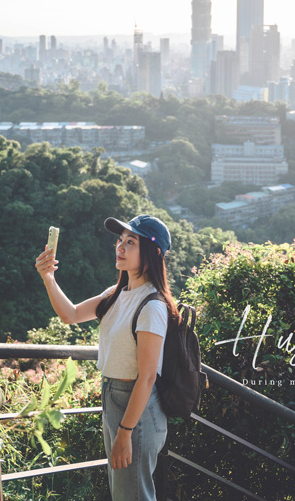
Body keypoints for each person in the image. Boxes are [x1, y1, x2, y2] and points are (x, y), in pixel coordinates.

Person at [34, 214, 179, 500]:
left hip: (135, 407)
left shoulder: (152, 306)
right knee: (125, 492)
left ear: (152, 252)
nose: (120, 247)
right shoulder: (116, 294)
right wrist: (48, 277)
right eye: (120, 240)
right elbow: (71, 315)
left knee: (132, 495)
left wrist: (126, 431)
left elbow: (148, 377)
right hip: (114, 398)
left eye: (130, 242)